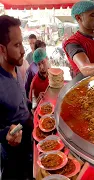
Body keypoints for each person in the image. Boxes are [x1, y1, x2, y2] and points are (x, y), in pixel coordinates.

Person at [0, 15, 33, 179]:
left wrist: (31, 104)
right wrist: (5, 132)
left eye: (22, 43)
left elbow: (19, 99)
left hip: (29, 142)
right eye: (17, 45)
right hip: (13, 154)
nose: (23, 50)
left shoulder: (16, 67)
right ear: (2, 49)